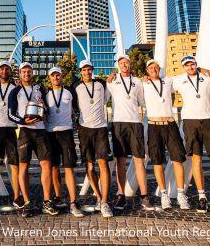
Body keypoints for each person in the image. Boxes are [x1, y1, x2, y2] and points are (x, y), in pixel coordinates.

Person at [171, 55, 210, 214]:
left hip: (208, 121)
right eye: (187, 65)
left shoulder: (208, 78)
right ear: (183, 67)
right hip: (190, 122)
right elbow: (160, 84)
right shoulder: (179, 80)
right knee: (196, 159)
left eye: (192, 64)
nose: (190, 67)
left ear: (196, 64)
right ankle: (202, 197)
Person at [7, 62, 58, 217]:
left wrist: (45, 107)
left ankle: (47, 201)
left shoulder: (41, 89)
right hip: (24, 131)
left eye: (29, 71)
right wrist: (23, 121)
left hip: (41, 131)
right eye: (24, 72)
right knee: (23, 167)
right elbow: (10, 113)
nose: (27, 74)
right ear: (20, 74)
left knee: (46, 165)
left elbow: (47, 109)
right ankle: (27, 202)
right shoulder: (15, 91)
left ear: (32, 73)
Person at [106, 54, 152, 211]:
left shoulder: (137, 81)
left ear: (130, 64)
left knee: (139, 159)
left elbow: (140, 100)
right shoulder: (112, 81)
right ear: (118, 65)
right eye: (121, 62)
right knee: (120, 161)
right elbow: (105, 98)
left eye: (126, 62)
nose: (124, 65)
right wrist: (107, 79)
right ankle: (121, 196)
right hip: (118, 123)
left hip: (135, 123)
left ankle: (144, 196)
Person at [142, 59, 188, 210]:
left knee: (178, 159)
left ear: (159, 68)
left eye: (155, 67)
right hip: (154, 125)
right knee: (157, 161)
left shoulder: (169, 81)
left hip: (170, 124)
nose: (153, 69)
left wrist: (202, 70)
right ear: (147, 71)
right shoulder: (144, 83)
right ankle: (164, 195)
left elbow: (186, 74)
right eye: (150, 68)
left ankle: (181, 194)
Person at [71, 60, 113, 218]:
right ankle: (98, 197)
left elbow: (112, 88)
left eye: (90, 69)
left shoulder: (101, 84)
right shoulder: (75, 86)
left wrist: (112, 77)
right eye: (84, 70)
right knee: (89, 165)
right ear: (80, 71)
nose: (87, 72)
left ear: (92, 70)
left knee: (103, 163)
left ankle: (105, 202)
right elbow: (72, 105)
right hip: (84, 129)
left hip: (100, 128)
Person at [45, 66, 83, 217]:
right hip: (50, 133)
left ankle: (74, 202)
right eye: (53, 76)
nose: (56, 78)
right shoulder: (45, 94)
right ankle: (58, 197)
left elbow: (77, 108)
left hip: (66, 132)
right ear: (49, 78)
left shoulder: (69, 92)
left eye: (58, 75)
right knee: (54, 167)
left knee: (69, 167)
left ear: (62, 77)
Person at [0, 61, 21, 211]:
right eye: (2, 69)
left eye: (7, 69)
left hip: (11, 128)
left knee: (14, 165)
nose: (5, 71)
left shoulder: (16, 87)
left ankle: (17, 197)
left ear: (10, 71)